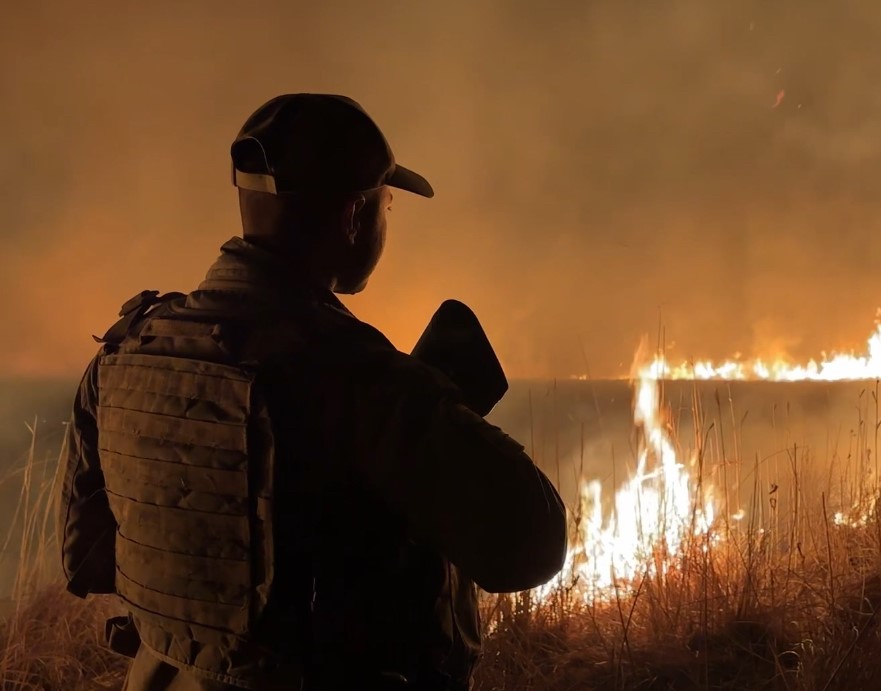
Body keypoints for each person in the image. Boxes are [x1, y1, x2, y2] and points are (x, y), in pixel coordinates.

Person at [57, 93, 568, 691]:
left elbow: (86, 556)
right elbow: (530, 546)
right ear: (354, 215)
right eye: (386, 205)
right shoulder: (357, 376)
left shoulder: (125, 351)